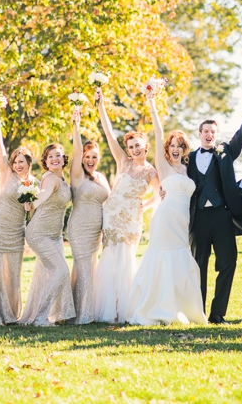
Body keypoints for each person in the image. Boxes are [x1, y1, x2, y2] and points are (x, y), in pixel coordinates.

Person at [126, 94, 207, 326]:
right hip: (165, 217)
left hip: (183, 221)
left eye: (179, 146)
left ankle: (183, 307)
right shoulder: (162, 165)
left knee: (181, 258)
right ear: (167, 148)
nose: (175, 149)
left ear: (184, 149)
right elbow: (159, 132)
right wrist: (152, 105)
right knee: (161, 258)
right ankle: (157, 306)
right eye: (172, 145)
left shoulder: (188, 169)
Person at [188, 92, 242, 324]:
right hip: (197, 217)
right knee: (198, 265)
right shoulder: (188, 158)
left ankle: (218, 313)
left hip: (222, 215)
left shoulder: (225, 152)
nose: (209, 135)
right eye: (205, 131)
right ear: (199, 134)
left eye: (213, 132)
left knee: (228, 262)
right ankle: (198, 312)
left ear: (217, 136)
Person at [92, 86, 159, 323]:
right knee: (110, 256)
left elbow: (160, 194)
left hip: (131, 217)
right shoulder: (123, 161)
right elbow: (109, 133)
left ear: (145, 146)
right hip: (111, 214)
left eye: (137, 145)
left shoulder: (151, 171)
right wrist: (101, 103)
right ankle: (107, 309)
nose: (133, 149)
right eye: (131, 147)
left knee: (125, 257)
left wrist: (146, 205)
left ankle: (124, 309)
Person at [0, 104, 34, 324]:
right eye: (14, 162)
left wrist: (30, 207)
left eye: (21, 162)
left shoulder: (35, 183)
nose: (17, 165)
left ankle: (12, 314)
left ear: (29, 163)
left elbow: (35, 209)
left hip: (16, 230)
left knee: (13, 273)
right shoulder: (6, 173)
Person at [19, 144, 75, 325]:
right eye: (50, 156)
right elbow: (43, 194)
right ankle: (40, 317)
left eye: (58, 155)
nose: (54, 159)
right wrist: (32, 202)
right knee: (62, 271)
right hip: (39, 233)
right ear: (46, 161)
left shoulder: (64, 179)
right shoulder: (50, 178)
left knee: (47, 274)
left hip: (55, 235)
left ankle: (60, 315)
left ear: (64, 158)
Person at [67, 109, 109, 325]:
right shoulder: (77, 175)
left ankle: (76, 309)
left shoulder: (101, 177)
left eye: (94, 157)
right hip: (79, 227)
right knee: (83, 267)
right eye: (87, 156)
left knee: (88, 268)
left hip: (97, 231)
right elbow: (75, 152)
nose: (91, 160)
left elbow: (111, 200)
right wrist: (76, 125)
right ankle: (83, 315)